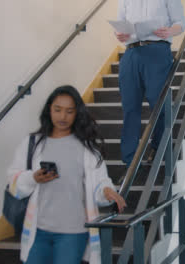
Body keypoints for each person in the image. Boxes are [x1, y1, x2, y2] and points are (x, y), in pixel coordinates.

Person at [7, 85, 127, 264]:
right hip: (39, 230)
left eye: (69, 111)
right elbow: (14, 183)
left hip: (74, 231)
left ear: (77, 113)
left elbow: (100, 183)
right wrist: (33, 178)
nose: (62, 117)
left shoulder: (88, 149)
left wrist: (107, 191)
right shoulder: (32, 143)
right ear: (49, 110)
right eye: (58, 110)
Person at [115, 0, 185, 169]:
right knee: (130, 107)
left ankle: (157, 146)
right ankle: (129, 162)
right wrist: (120, 34)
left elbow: (180, 23)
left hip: (157, 51)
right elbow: (120, 26)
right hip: (131, 52)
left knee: (159, 103)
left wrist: (169, 31)